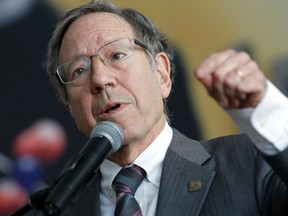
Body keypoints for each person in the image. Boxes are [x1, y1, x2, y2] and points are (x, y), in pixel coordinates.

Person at [44, 0, 288, 215]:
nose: (99, 79)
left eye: (116, 55)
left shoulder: (248, 162)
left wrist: (265, 107)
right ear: (69, 106)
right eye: (79, 70)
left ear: (161, 74)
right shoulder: (56, 207)